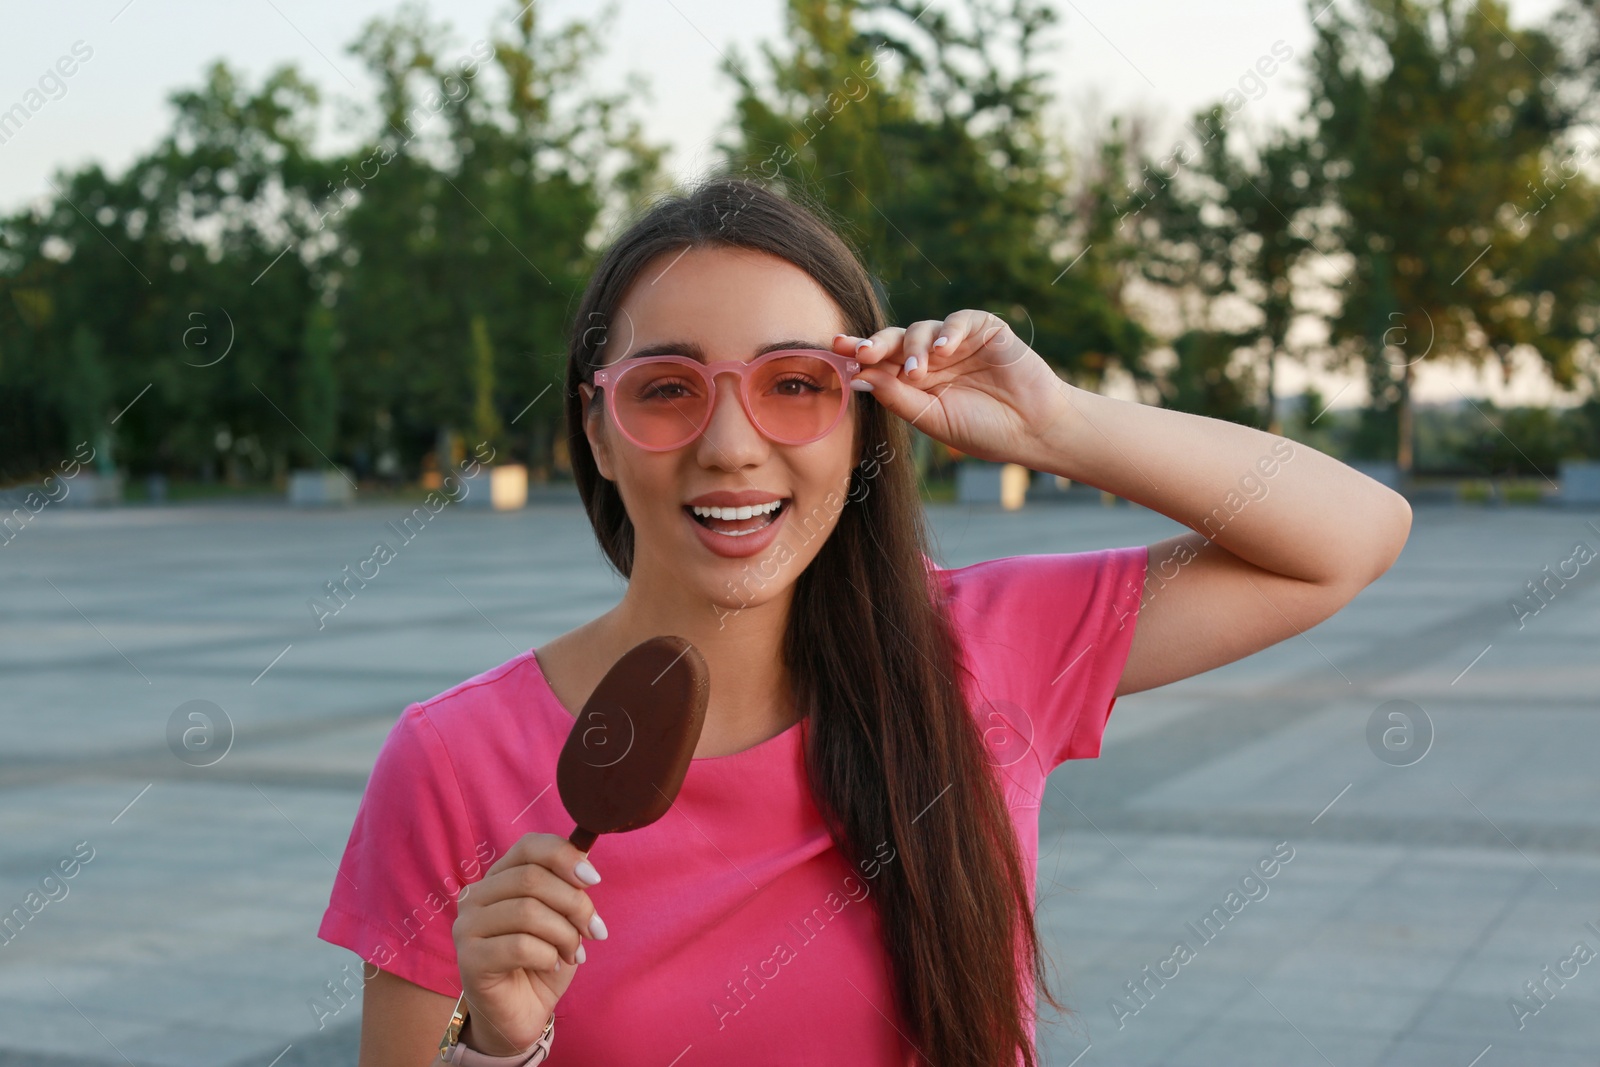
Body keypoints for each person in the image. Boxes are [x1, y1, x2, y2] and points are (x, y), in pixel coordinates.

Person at [318, 178, 1412, 1067]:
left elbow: (1350, 533)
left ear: (863, 416)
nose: (732, 444)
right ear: (595, 432)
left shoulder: (982, 649)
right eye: (666, 388)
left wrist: (1055, 421)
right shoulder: (454, 759)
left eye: (795, 383)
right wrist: (499, 1049)